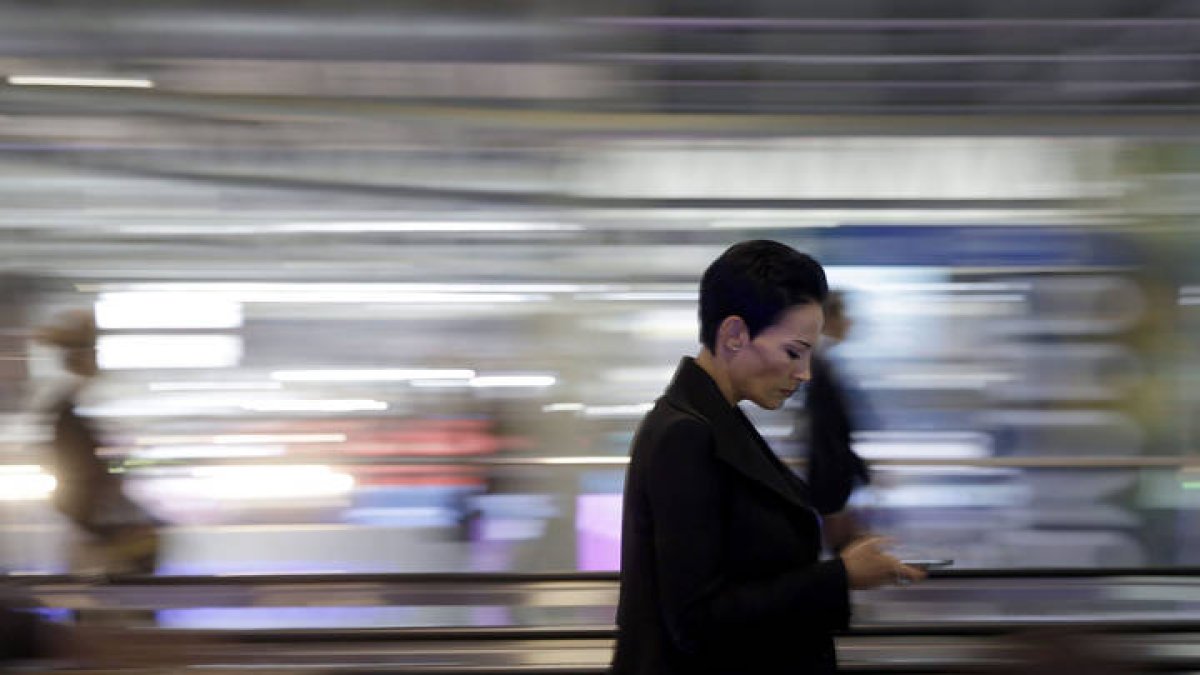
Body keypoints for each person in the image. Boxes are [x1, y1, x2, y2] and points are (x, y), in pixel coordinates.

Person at [610, 241, 924, 675]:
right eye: (793, 351)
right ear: (734, 335)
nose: (804, 372)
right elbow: (696, 619)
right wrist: (841, 577)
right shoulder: (685, 435)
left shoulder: (718, 421)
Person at [36, 309, 160, 577]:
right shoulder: (70, 411)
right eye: (91, 351)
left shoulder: (77, 407)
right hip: (94, 525)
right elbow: (82, 473)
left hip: (95, 521)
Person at [803, 290, 877, 549]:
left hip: (834, 481)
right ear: (828, 319)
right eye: (845, 314)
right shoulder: (818, 366)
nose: (850, 322)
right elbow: (827, 434)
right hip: (831, 483)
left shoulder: (824, 363)